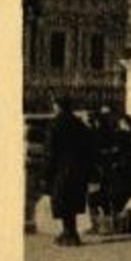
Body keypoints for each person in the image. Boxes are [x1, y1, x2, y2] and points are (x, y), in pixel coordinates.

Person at [44, 97, 94, 246]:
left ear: (58, 107)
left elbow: (50, 150)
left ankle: (68, 233)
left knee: (62, 200)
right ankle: (72, 232)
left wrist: (47, 171)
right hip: (78, 168)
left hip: (61, 168)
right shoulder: (79, 124)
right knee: (72, 200)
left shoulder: (54, 124)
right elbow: (89, 146)